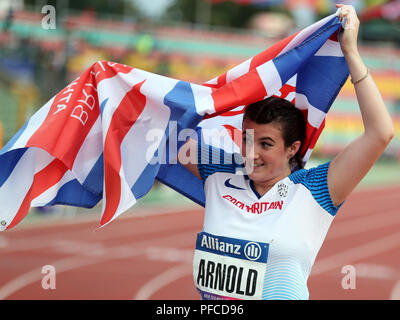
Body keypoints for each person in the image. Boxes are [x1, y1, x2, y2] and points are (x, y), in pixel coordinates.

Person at [177, 4, 394, 300]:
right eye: (246, 139)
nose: (250, 153)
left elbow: (380, 134)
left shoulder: (315, 189)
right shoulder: (221, 172)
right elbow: (167, 134)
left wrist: (351, 53)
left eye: (265, 144)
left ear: (292, 148)